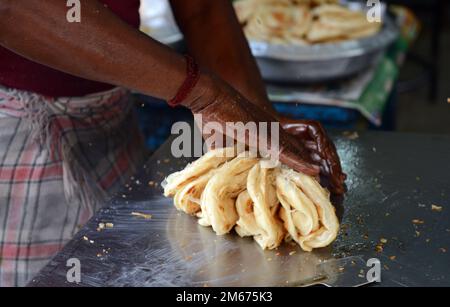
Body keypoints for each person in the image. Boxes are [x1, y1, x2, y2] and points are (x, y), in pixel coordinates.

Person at [0, 0, 345, 286]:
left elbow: (203, 9)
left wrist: (258, 121)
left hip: (111, 110)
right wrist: (206, 95)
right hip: (16, 130)